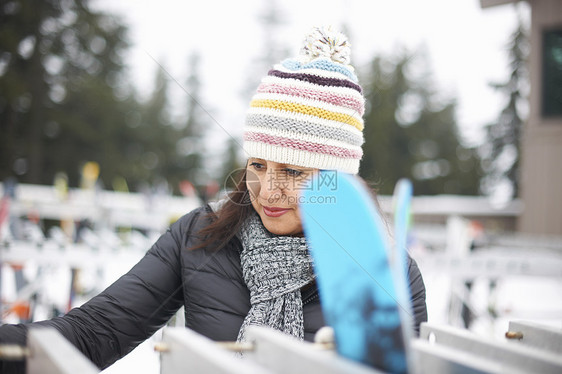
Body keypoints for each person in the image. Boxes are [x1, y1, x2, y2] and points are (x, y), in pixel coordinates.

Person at [0, 26, 427, 372]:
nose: (267, 189)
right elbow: (93, 333)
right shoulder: (200, 237)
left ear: (338, 179)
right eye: (258, 165)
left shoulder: (388, 274)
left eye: (294, 172)